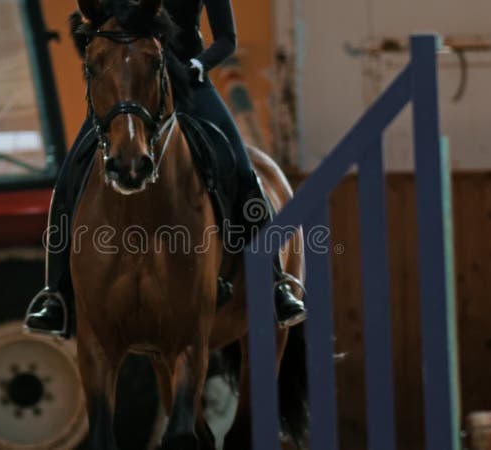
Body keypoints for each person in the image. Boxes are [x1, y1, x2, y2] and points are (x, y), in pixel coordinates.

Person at [24, 0, 306, 336]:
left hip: (190, 82)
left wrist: (199, 65)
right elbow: (84, 27)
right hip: (131, 87)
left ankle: (276, 285)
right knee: (69, 177)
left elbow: (226, 39)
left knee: (242, 169)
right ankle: (55, 294)